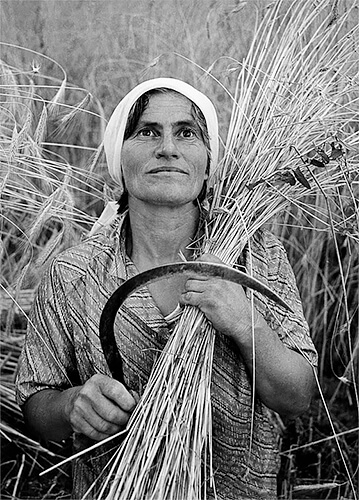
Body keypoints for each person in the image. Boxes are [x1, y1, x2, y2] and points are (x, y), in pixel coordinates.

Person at [16, 77, 317, 499]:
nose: (168, 148)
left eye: (186, 133)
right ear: (120, 158)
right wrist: (71, 406)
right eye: (147, 132)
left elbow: (298, 396)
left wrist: (247, 324)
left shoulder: (255, 256)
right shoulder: (73, 273)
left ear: (208, 162)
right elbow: (35, 407)